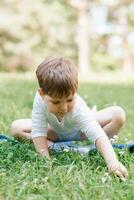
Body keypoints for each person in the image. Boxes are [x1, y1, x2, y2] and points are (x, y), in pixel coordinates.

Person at [11, 57, 128, 179]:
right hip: (55, 132)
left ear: (75, 91)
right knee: (17, 127)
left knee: (118, 114)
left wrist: (112, 162)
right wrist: (46, 161)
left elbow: (96, 132)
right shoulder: (39, 100)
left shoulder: (79, 108)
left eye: (70, 100)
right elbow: (39, 130)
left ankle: (94, 147)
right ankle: (58, 148)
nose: (64, 108)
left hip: (82, 132)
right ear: (42, 94)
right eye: (56, 102)